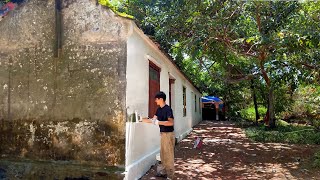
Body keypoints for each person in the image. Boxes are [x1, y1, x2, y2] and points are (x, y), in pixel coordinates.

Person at [142, 91, 175, 179]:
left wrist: (158, 122)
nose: (155, 101)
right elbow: (153, 120)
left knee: (168, 155)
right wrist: (141, 119)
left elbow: (171, 123)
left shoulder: (168, 109)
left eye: (156, 99)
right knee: (163, 154)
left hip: (168, 134)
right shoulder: (159, 109)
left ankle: (171, 176)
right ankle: (163, 172)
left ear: (161, 99)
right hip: (163, 134)